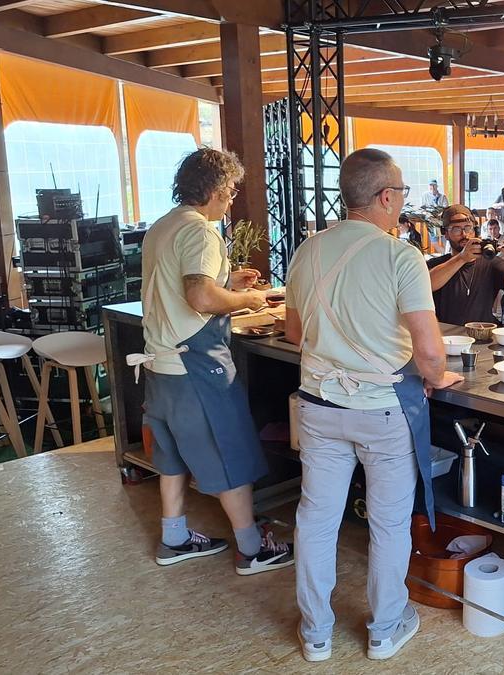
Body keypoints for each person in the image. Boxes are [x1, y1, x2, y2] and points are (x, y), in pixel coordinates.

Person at [284, 148, 463, 662]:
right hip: (383, 409)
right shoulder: (399, 255)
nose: (403, 203)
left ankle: (316, 634)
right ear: (386, 197)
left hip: (318, 405)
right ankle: (384, 628)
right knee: (387, 523)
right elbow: (429, 352)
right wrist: (436, 374)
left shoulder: (308, 251)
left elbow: (296, 332)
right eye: (402, 194)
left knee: (316, 520)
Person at [136, 148, 292, 575]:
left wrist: (228, 282)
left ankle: (175, 538)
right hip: (196, 365)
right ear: (218, 188)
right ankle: (251, 548)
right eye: (232, 188)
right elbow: (200, 297)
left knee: (171, 456)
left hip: (160, 362)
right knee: (230, 451)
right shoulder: (202, 231)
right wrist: (249, 298)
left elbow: (185, 285)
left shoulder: (163, 225)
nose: (233, 195)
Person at [426, 205, 504, 326]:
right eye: (456, 229)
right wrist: (462, 257)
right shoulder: (436, 264)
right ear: (446, 234)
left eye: (468, 228)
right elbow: (427, 284)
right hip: (447, 336)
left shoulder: (490, 262)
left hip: (482, 333)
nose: (464, 234)